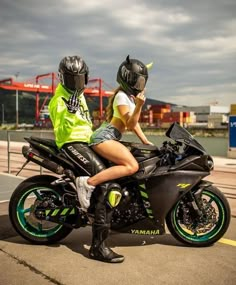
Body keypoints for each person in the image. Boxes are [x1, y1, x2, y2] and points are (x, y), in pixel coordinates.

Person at [76, 55, 153, 263]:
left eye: (143, 82)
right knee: (131, 165)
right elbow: (128, 123)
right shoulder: (122, 98)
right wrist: (139, 106)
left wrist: (147, 142)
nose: (141, 85)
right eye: (138, 81)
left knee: (134, 162)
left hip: (110, 137)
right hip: (103, 138)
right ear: (128, 79)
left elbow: (134, 126)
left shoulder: (126, 97)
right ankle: (88, 183)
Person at [48, 55, 124, 264]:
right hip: (72, 144)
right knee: (107, 185)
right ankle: (98, 247)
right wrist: (68, 112)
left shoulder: (79, 95)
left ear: (86, 77)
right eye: (72, 79)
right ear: (62, 78)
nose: (76, 84)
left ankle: (100, 211)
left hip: (86, 141)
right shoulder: (59, 99)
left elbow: (86, 124)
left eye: (79, 79)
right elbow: (60, 128)